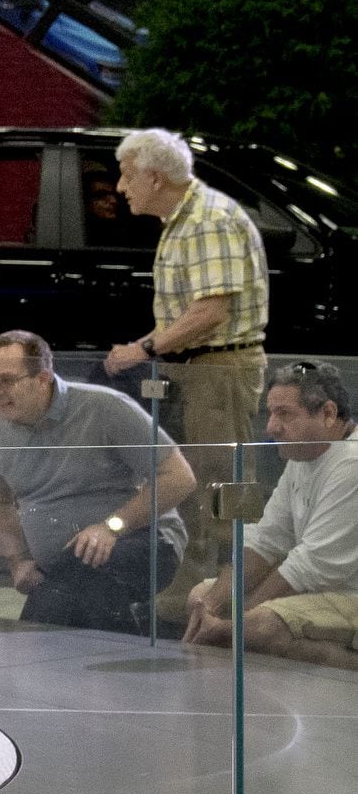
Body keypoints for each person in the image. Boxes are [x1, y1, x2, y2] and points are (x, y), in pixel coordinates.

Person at [101, 129, 268, 616]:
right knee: (205, 478)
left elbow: (210, 312)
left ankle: (223, 591)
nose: (120, 186)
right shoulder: (185, 220)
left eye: (128, 175)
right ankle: (200, 587)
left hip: (219, 368)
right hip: (199, 370)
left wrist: (143, 348)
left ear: (155, 176)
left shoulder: (207, 221)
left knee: (222, 482)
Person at [0, 329, 195, 634]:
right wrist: (18, 561)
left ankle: (32, 658)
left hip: (144, 541)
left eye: (6, 381)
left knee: (77, 580)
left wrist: (110, 527)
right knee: (77, 591)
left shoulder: (104, 407)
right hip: (65, 565)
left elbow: (180, 478)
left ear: (43, 378)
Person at [182, 359, 358, 667]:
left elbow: (310, 565)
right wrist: (210, 606)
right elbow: (266, 541)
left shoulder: (351, 463)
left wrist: (239, 619)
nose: (271, 426)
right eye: (272, 412)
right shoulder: (305, 454)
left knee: (256, 626)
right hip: (320, 593)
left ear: (328, 413)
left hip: (349, 597)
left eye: (284, 414)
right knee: (200, 595)